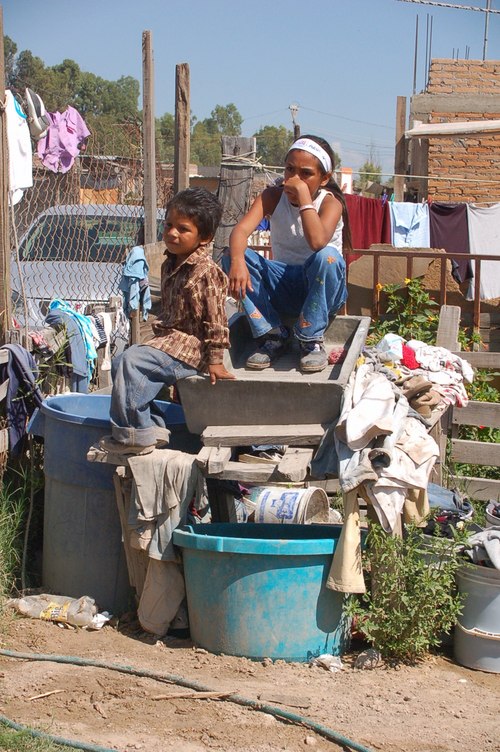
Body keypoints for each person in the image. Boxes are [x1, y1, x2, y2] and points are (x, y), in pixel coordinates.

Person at [101, 187, 235, 455]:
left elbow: (216, 320)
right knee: (119, 362)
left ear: (204, 237)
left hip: (190, 348)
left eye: (183, 229)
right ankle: (153, 428)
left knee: (131, 362)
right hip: (169, 342)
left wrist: (215, 360)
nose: (172, 233)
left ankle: (134, 435)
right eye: (169, 225)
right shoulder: (168, 264)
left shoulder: (207, 272)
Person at [223, 135, 352, 373]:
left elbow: (317, 242)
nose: (294, 180)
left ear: (324, 178)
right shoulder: (272, 197)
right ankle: (273, 334)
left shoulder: (330, 203)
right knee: (232, 254)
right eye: (290, 169)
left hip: (321, 290)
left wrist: (304, 198)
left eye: (306, 174)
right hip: (284, 286)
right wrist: (238, 260)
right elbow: (240, 231)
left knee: (328, 257)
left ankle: (310, 339)